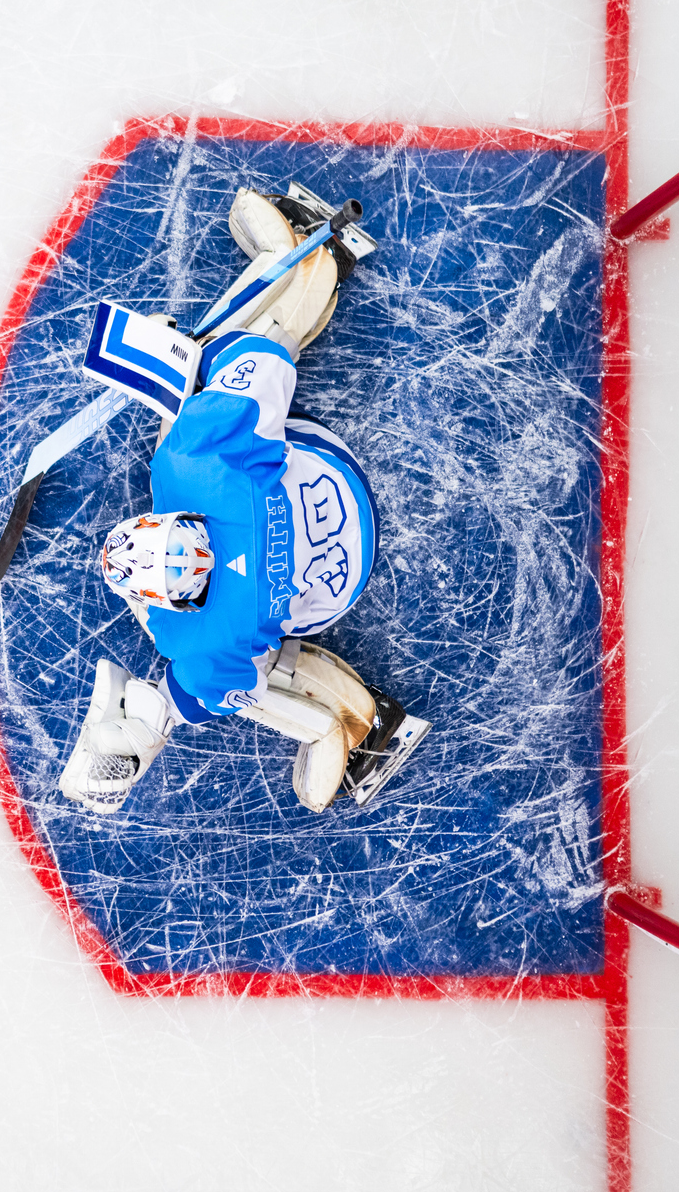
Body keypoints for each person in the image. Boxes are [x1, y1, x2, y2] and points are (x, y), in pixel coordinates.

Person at [60, 188, 429, 814]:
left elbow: (190, 699)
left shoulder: (204, 645)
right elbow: (270, 354)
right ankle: (307, 253)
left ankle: (362, 728)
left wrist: (138, 734)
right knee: (251, 349)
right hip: (334, 479)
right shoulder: (195, 466)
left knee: (258, 670)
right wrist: (184, 371)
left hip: (338, 585)